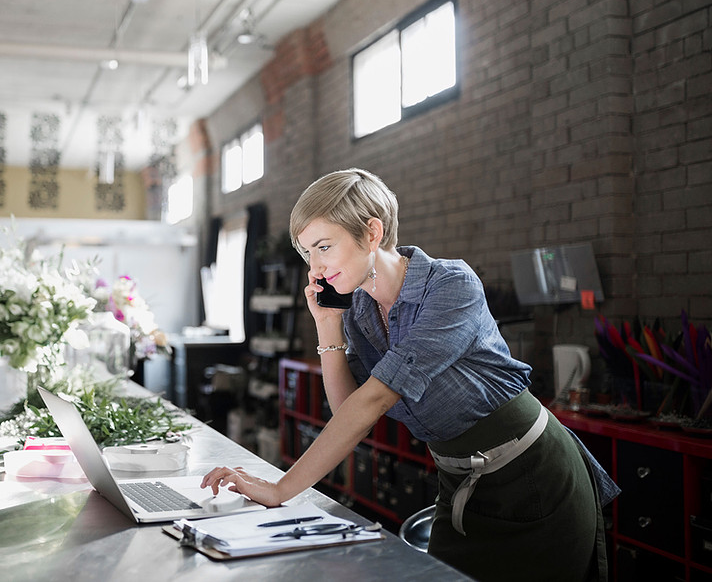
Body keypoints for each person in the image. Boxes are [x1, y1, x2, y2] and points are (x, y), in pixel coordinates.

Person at [202, 168, 618, 582]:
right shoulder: (360, 311)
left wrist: (280, 489)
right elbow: (350, 412)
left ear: (372, 233)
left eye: (324, 246)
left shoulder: (451, 286)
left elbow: (375, 400)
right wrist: (327, 325)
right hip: (459, 482)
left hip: (532, 477)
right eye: (307, 253)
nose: (316, 268)